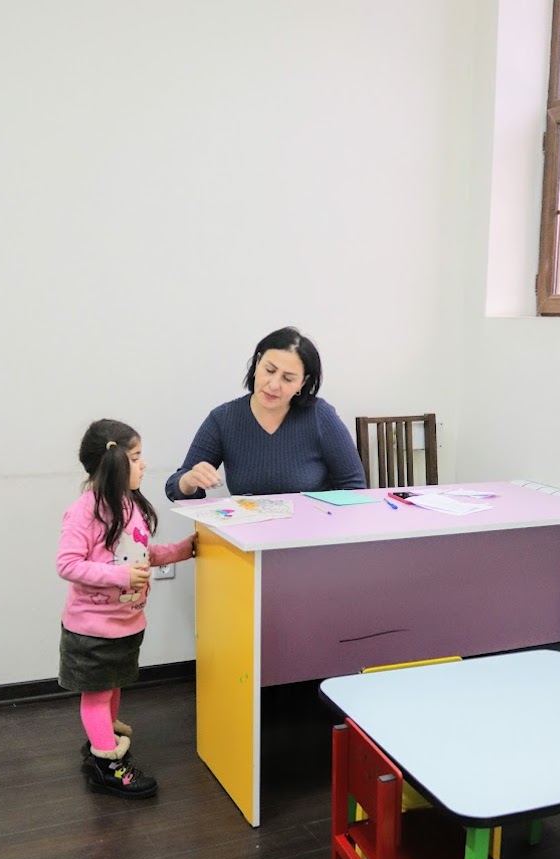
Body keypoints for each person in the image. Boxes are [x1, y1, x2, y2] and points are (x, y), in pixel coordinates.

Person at [57, 419, 196, 799]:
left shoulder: (128, 505)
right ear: (113, 463)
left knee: (113, 687)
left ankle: (103, 740)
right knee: (97, 696)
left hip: (126, 623)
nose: (143, 464)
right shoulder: (85, 511)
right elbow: (67, 564)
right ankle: (107, 766)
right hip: (92, 629)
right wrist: (120, 576)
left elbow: (138, 555)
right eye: (135, 458)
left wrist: (181, 550)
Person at [165, 327, 366, 500]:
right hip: (247, 530)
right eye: (269, 370)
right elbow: (174, 489)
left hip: (314, 528)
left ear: (302, 383)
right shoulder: (223, 419)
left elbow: (354, 486)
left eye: (288, 379)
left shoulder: (319, 416)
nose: (274, 385)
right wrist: (189, 481)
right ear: (257, 363)